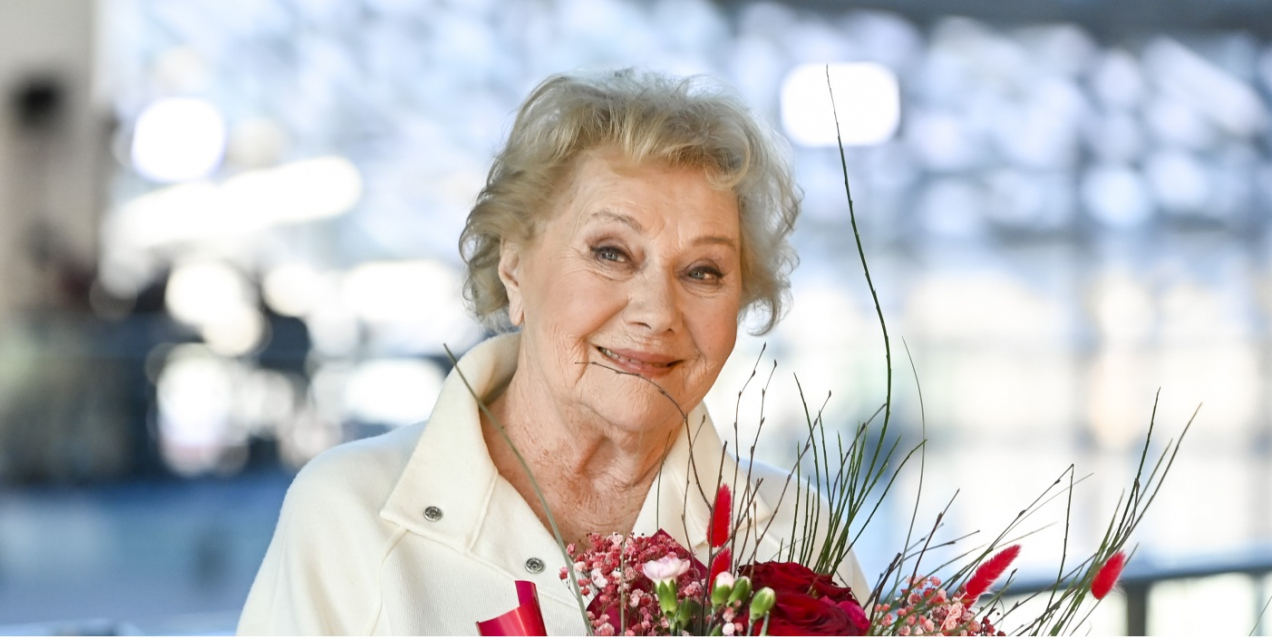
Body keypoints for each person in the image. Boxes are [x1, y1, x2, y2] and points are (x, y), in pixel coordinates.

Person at [237, 69, 869, 635]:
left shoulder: (795, 528)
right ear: (514, 265)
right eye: (611, 253)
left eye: (703, 271)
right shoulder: (348, 514)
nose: (658, 311)